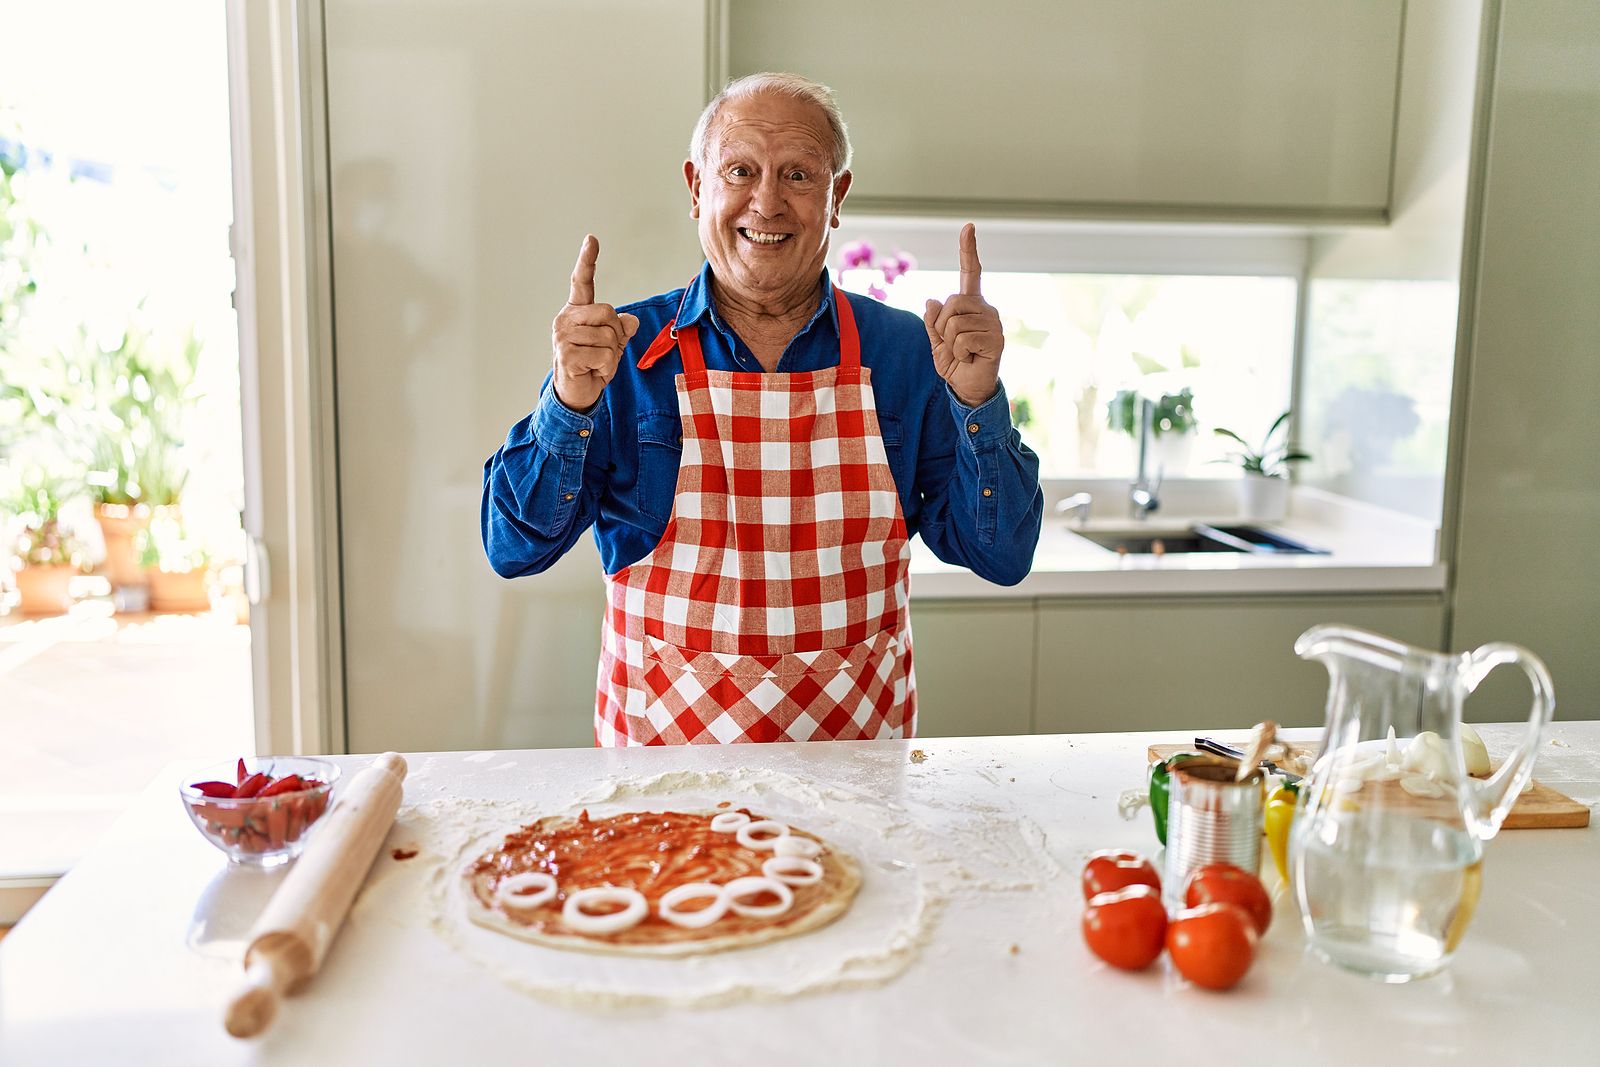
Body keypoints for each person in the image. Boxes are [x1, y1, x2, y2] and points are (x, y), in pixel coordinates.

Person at [482, 72, 1042, 746]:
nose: (767, 201)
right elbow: (512, 547)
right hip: (663, 794)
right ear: (697, 188)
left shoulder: (908, 355)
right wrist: (568, 403)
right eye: (741, 170)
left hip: (860, 793)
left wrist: (978, 400)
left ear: (837, 196)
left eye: (799, 175)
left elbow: (1002, 554)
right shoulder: (622, 354)